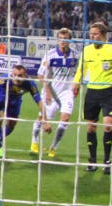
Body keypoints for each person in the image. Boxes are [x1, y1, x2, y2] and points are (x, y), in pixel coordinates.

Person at [71, 21, 112, 174]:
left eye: (95, 34)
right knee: (91, 127)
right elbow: (80, 69)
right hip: (92, 92)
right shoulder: (87, 50)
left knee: (108, 125)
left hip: (108, 92)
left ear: (103, 35)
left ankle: (107, 162)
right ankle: (92, 161)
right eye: (90, 34)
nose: (92, 37)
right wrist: (76, 83)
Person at [30, 28, 78, 157]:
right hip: (51, 90)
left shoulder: (75, 55)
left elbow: (79, 73)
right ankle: (34, 141)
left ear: (70, 40)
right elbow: (40, 75)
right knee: (42, 118)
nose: (63, 42)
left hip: (66, 92)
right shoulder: (50, 54)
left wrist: (76, 85)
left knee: (65, 119)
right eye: (61, 39)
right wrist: (47, 91)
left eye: (66, 39)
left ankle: (53, 147)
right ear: (58, 40)